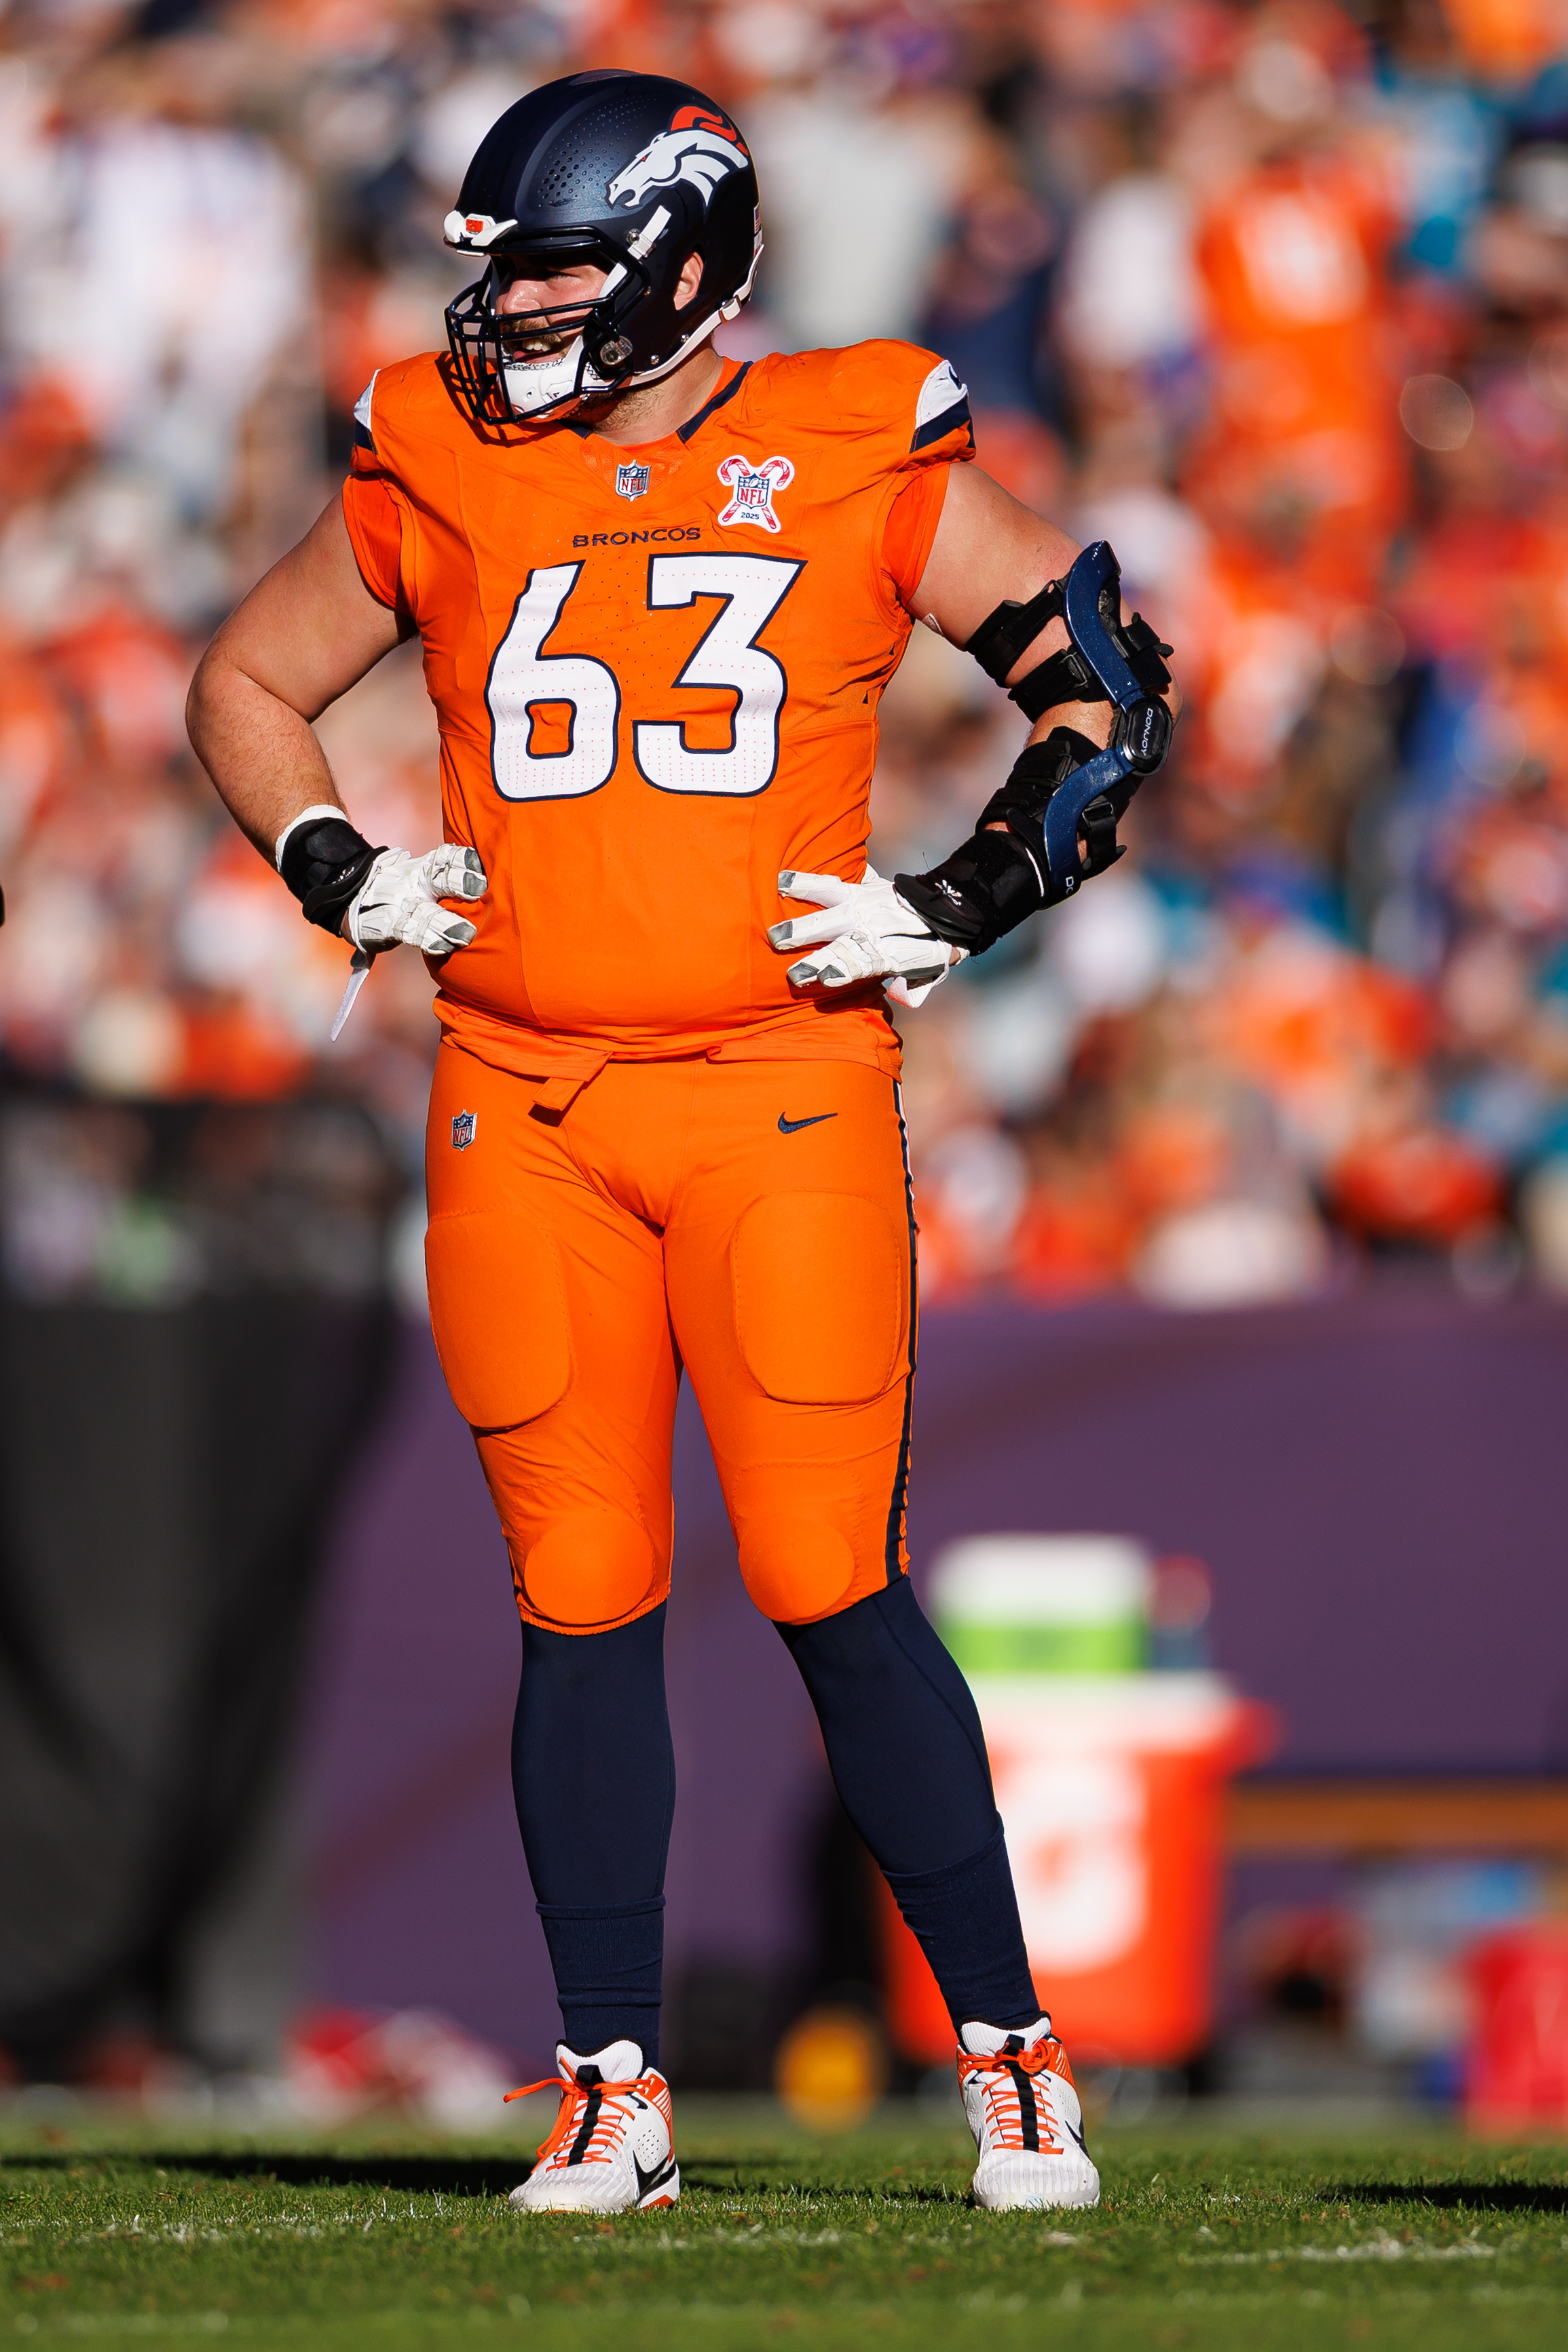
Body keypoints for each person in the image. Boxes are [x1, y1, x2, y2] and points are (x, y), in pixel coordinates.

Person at [187, 69, 1178, 2215]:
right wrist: (337, 856)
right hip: (518, 1094)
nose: (510, 313)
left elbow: (1110, 685)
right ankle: (612, 2085)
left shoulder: (852, 439)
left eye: (547, 267)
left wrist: (955, 896)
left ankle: (1013, 2056)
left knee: (830, 1577)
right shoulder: (440, 452)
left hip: (779, 1086)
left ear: (680, 260)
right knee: (579, 1593)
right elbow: (246, 688)